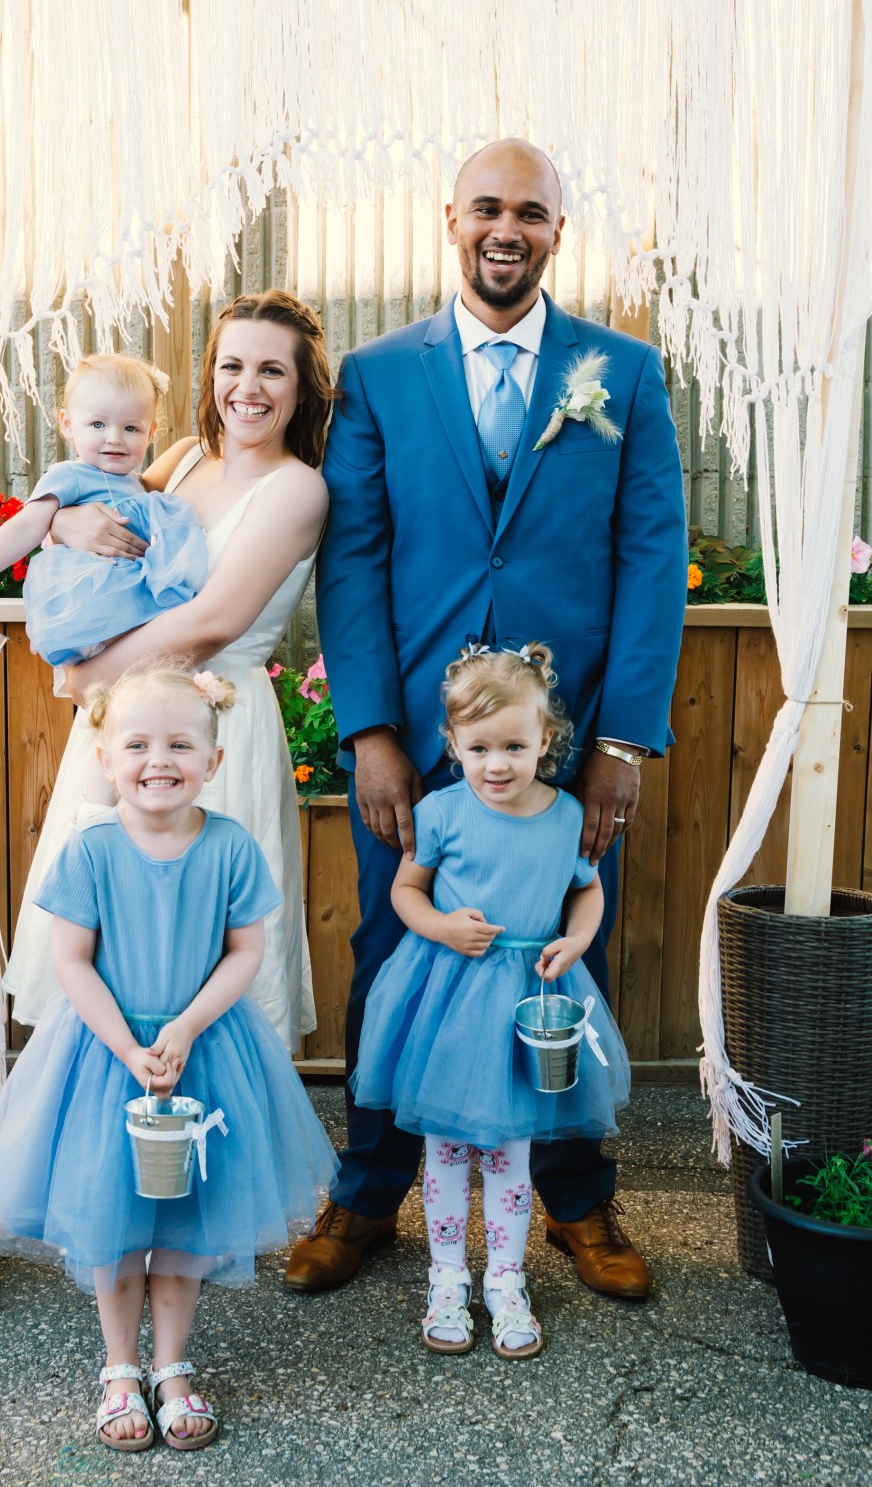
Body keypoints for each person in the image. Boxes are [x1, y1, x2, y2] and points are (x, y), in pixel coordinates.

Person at [289, 138, 686, 1298]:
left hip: (562, 759)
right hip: (418, 741)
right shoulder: (377, 374)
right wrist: (367, 730)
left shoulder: (621, 371)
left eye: (529, 211)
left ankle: (575, 1198)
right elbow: (354, 558)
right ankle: (368, 1193)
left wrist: (619, 744)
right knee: (390, 955)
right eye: (484, 209)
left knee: (564, 957)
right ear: (447, 220)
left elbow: (652, 558)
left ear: (558, 231)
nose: (504, 228)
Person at [0, 661, 336, 1454]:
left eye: (180, 743)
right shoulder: (91, 851)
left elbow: (245, 955)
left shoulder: (230, 848)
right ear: (105, 760)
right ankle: (120, 1366)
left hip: (202, 1049)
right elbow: (72, 964)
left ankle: (174, 1365)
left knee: (188, 1222)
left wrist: (189, 1026)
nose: (158, 759)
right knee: (115, 1217)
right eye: (136, 743)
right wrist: (131, 1047)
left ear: (214, 761)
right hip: (108, 1055)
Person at [3, 291, 334, 1053]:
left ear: (303, 387)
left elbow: (213, 621)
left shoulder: (297, 488)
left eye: (271, 371)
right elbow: (105, 502)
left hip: (215, 722)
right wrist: (63, 519)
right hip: (134, 717)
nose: (246, 388)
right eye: (232, 366)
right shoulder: (184, 456)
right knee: (108, 918)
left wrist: (91, 681)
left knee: (196, 932)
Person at [351, 646, 630, 1357]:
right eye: (478, 748)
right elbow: (404, 892)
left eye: (513, 746)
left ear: (546, 740)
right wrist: (443, 925)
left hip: (527, 1002)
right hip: (447, 1000)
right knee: (446, 1148)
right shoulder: (441, 812)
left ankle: (505, 1279)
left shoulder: (566, 817)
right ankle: (447, 1276)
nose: (497, 765)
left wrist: (576, 939)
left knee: (510, 1149)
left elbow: (588, 887)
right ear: (452, 745)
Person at [0, 354, 208, 666]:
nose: (114, 438)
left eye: (131, 427)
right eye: (98, 424)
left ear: (151, 432)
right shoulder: (70, 475)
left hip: (133, 594)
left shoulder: (141, 486)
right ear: (67, 425)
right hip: (93, 591)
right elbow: (28, 524)